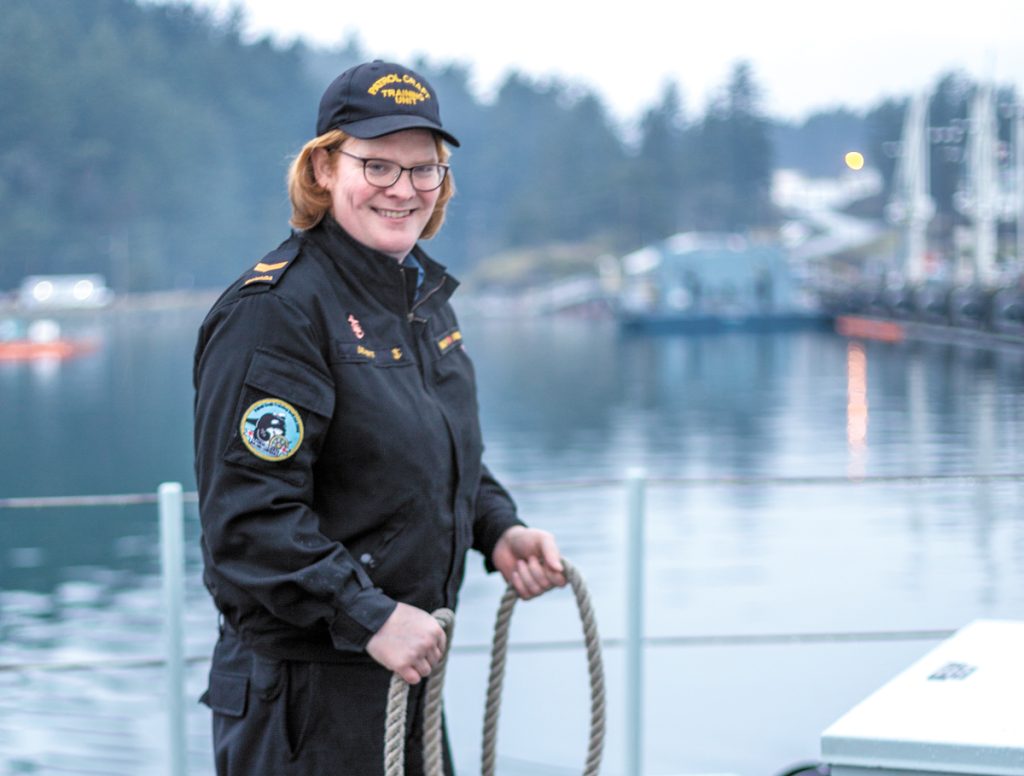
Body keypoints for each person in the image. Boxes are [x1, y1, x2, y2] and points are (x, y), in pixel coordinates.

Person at [193, 60, 566, 775]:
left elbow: (432, 449)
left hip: (404, 677)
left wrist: (498, 528)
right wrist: (369, 614)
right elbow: (247, 519)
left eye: (423, 169)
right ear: (326, 168)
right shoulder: (276, 313)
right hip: (301, 703)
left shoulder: (420, 299)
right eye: (378, 165)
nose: (404, 189)